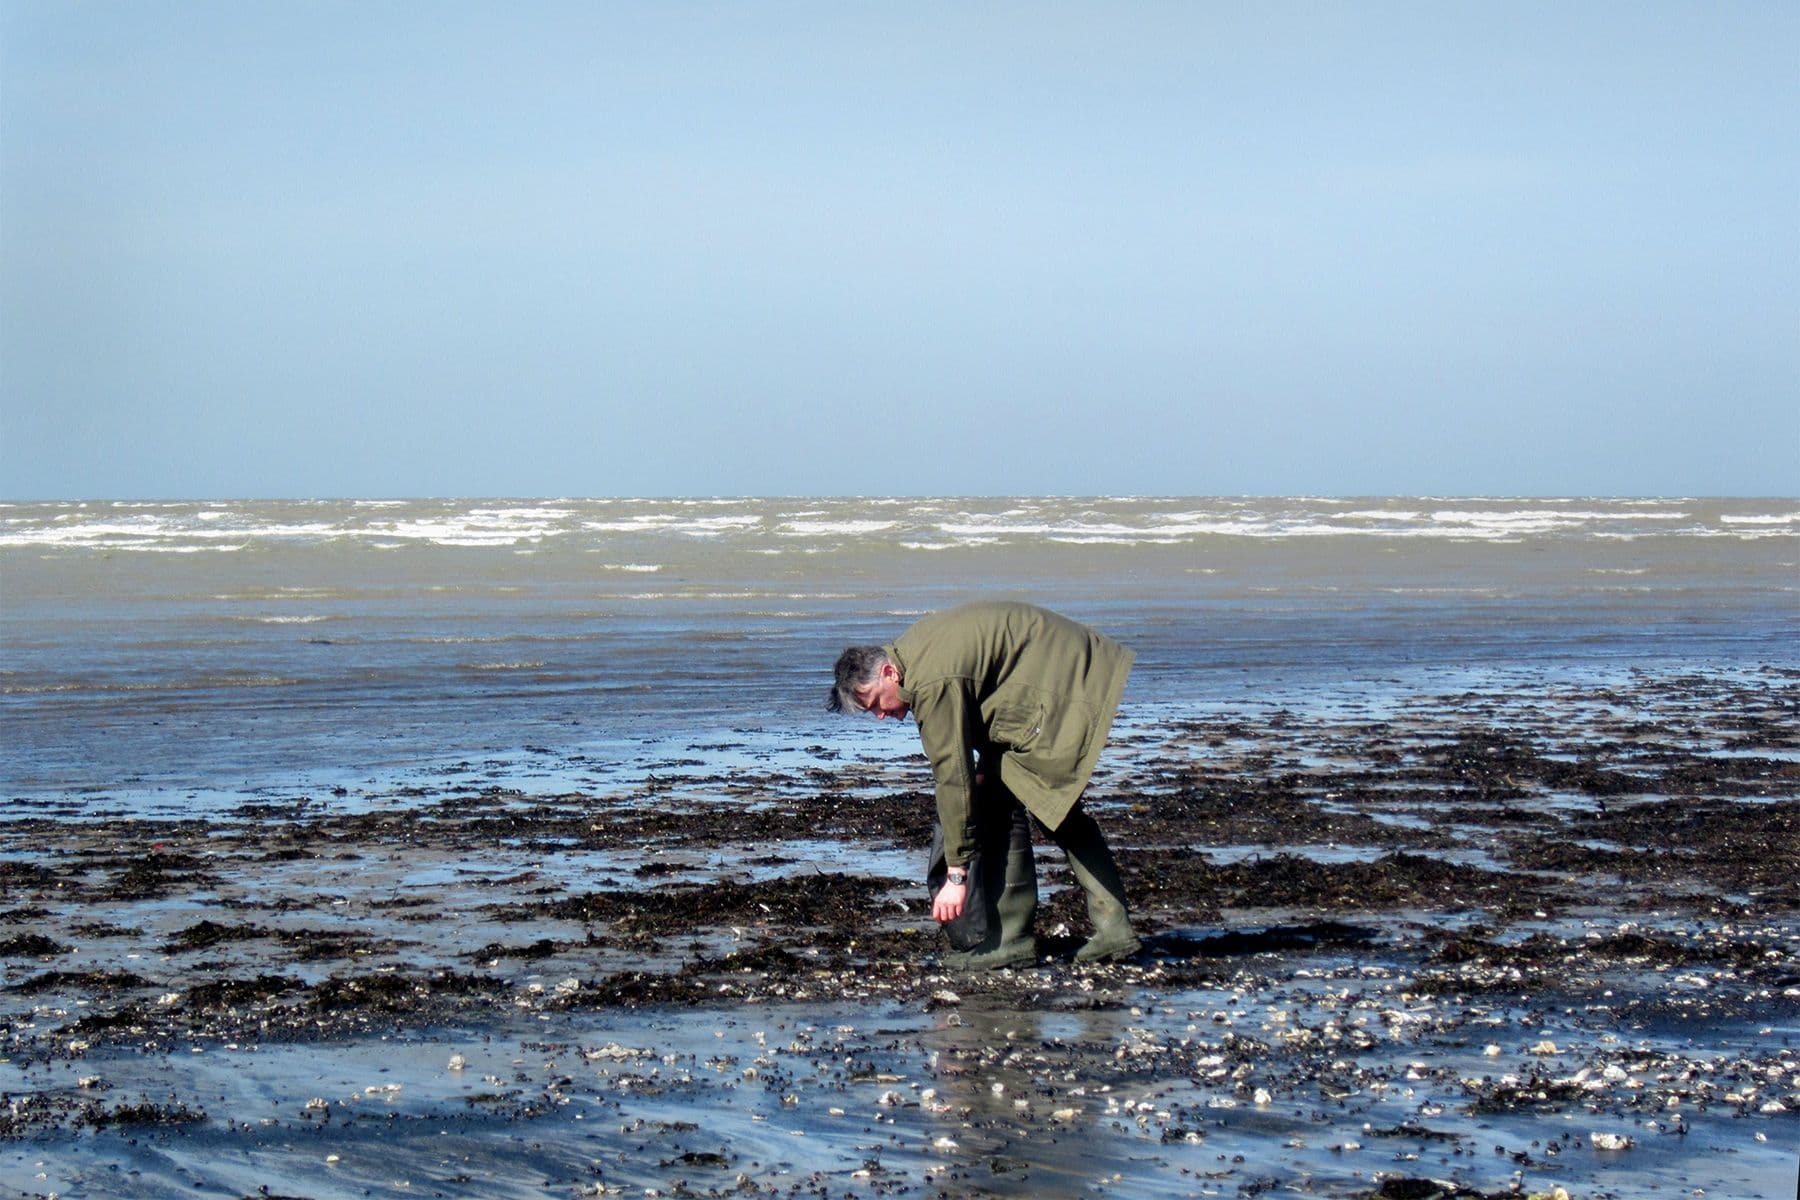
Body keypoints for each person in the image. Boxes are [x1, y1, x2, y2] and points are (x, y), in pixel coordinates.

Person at [828, 600, 1141, 968]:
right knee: (1015, 800)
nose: (882, 716)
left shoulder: (930, 682)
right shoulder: (914, 656)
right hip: (1054, 674)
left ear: (887, 673)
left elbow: (951, 775)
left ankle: (1018, 942)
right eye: (872, 713)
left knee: (1033, 807)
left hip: (1063, 683)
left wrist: (957, 876)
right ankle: (1101, 932)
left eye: (876, 703)